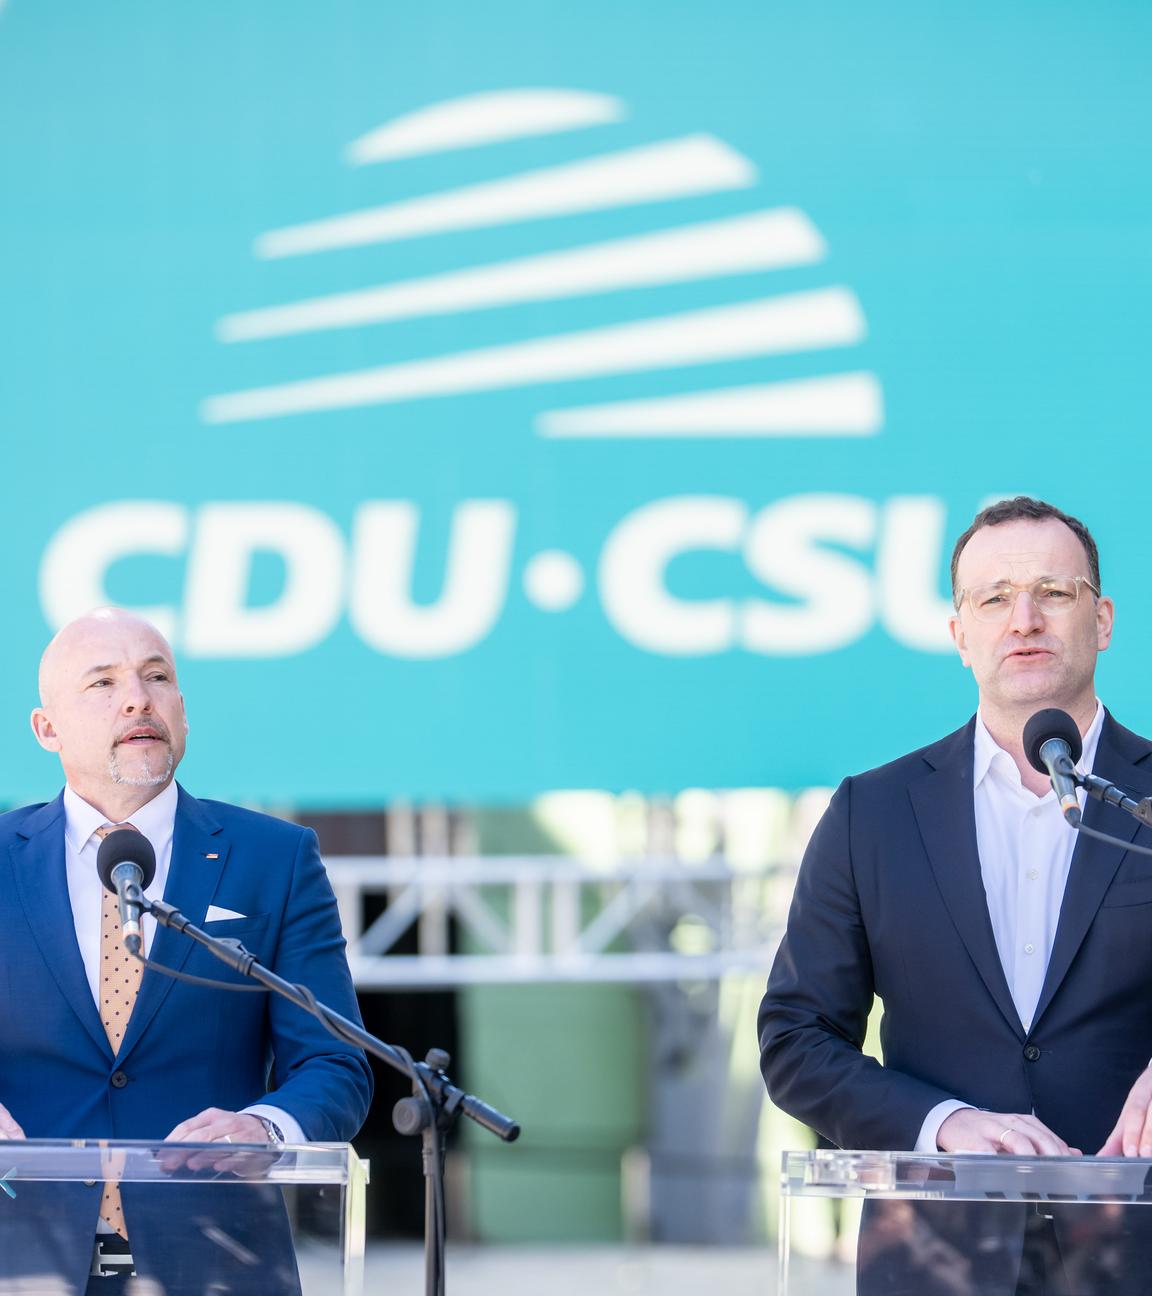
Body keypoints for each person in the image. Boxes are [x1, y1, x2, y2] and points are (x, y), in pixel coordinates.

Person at [759, 497, 1152, 1294]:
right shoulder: (872, 814)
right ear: (959, 634)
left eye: (1054, 592)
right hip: (937, 1258)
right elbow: (796, 1038)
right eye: (994, 598)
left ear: (1103, 620)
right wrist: (943, 1125)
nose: (1025, 619)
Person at [0, 607, 373, 1292]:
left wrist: (265, 1127)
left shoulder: (274, 858)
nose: (138, 699)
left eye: (157, 677)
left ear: (183, 711)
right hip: (23, 1258)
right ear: (47, 729)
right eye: (103, 683)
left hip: (214, 1260)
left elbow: (335, 1060)